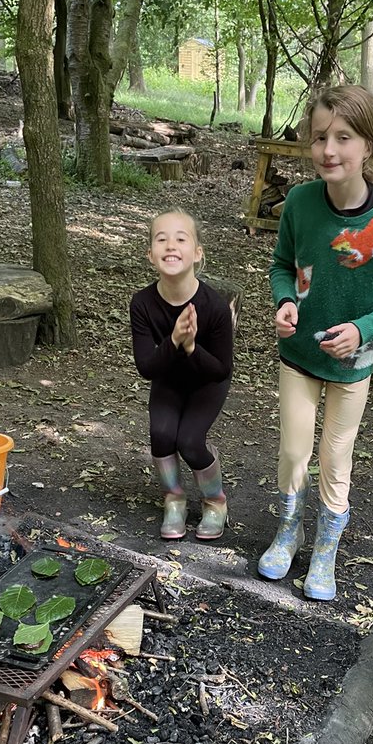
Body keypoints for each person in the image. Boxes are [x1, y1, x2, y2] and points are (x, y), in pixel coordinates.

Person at [259, 84, 373, 600]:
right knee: (293, 451)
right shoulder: (301, 204)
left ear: (368, 145)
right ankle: (289, 531)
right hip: (299, 356)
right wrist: (284, 301)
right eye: (319, 138)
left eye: (343, 137)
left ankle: (325, 551)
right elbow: (283, 265)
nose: (328, 150)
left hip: (355, 364)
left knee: (335, 457)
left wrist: (363, 329)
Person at [130, 209, 233, 541]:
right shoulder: (143, 303)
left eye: (180, 238)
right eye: (161, 239)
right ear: (150, 254)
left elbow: (221, 369)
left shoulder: (214, 306)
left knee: (189, 442)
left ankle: (215, 502)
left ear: (197, 253)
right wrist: (174, 341)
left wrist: (190, 347)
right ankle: (174, 499)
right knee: (161, 435)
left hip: (207, 382)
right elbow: (147, 367)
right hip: (168, 379)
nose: (170, 245)